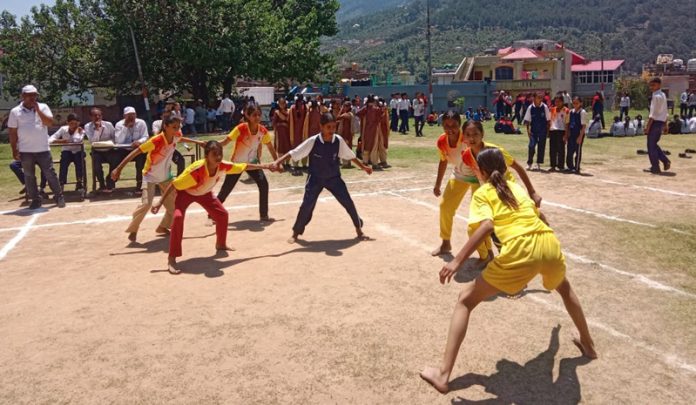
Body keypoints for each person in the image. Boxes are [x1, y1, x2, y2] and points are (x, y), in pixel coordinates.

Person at [419, 148, 596, 394]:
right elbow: (541, 216)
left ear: (479, 171)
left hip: (521, 249)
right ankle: (588, 345)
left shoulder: (483, 193)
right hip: (548, 241)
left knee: (465, 301)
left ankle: (443, 375)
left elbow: (487, 225)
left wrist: (457, 261)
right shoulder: (518, 189)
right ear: (504, 169)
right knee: (565, 289)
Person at [151, 141, 271, 274]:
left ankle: (221, 244)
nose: (218, 157)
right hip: (186, 193)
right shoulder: (196, 170)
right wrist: (159, 202)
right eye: (215, 154)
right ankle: (172, 259)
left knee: (222, 215)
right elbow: (174, 184)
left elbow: (243, 166)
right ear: (207, 155)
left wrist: (265, 166)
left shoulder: (223, 165)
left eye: (220, 154)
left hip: (205, 193)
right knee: (178, 218)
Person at [271, 112, 373, 243]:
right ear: (321, 127)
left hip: (334, 178)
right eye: (328, 127)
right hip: (315, 178)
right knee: (307, 206)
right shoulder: (313, 141)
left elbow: (350, 156)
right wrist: (277, 162)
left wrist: (364, 167)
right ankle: (296, 233)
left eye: (333, 127)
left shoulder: (338, 141)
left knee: (348, 202)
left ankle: (359, 230)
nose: (331, 130)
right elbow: (294, 152)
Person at [112, 115, 204, 242]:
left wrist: (198, 142)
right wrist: (119, 168)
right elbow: (136, 151)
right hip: (149, 176)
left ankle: (162, 227)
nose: (177, 130)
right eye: (174, 127)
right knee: (146, 204)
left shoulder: (176, 136)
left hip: (166, 178)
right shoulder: (156, 140)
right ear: (165, 127)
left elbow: (181, 139)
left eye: (178, 127)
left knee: (174, 206)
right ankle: (133, 229)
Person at [216, 105, 279, 222]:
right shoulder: (240, 128)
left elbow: (270, 147)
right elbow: (225, 142)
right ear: (247, 116)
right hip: (237, 164)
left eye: (259, 115)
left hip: (253, 164)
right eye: (254, 115)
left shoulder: (262, 131)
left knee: (264, 185)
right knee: (226, 190)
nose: (257, 117)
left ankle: (264, 215)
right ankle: (212, 214)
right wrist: (211, 144)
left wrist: (277, 162)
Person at [431, 112, 481, 257]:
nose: (450, 128)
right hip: (459, 175)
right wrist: (437, 184)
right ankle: (445, 242)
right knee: (445, 207)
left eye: (454, 125)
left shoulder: (467, 139)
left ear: (460, 125)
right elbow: (443, 160)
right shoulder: (442, 141)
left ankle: (485, 253)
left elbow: (481, 153)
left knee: (478, 216)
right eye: (446, 125)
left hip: (477, 177)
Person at [8, 84, 65, 209]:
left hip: (43, 148)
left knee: (50, 173)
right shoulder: (15, 111)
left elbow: (49, 123)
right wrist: (14, 149)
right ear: (23, 96)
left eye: (34, 95)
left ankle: (59, 195)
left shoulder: (43, 107)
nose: (32, 98)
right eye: (29, 95)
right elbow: (12, 132)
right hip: (25, 150)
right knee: (29, 176)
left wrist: (38, 110)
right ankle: (35, 199)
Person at [48, 113, 86, 191]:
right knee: (64, 161)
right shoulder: (63, 129)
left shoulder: (81, 131)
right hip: (67, 151)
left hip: (78, 151)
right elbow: (51, 139)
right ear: (67, 123)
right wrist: (60, 141)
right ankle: (61, 182)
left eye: (76, 123)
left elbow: (77, 140)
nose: (73, 125)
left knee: (79, 161)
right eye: (71, 123)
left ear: (78, 123)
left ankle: (79, 181)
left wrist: (76, 131)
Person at [114, 106, 149, 190]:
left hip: (137, 149)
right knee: (114, 160)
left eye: (133, 115)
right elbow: (118, 140)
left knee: (141, 161)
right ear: (124, 116)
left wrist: (139, 142)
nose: (131, 117)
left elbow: (145, 136)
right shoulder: (119, 125)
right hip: (123, 149)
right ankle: (111, 183)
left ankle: (140, 183)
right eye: (129, 115)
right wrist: (125, 127)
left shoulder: (141, 123)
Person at [84, 108, 117, 192]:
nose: (97, 117)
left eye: (99, 115)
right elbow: (93, 141)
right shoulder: (88, 126)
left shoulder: (108, 125)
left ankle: (110, 181)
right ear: (90, 117)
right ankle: (101, 184)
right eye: (95, 115)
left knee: (116, 161)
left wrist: (110, 143)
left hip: (109, 149)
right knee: (96, 166)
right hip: (97, 151)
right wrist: (97, 129)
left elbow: (115, 137)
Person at [644, 78, 671, 174]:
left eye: (653, 85)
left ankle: (655, 167)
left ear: (659, 84)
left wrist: (648, 127)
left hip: (655, 123)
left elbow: (653, 114)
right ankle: (664, 161)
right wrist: (665, 124)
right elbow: (665, 111)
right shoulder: (663, 95)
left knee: (651, 145)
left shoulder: (656, 96)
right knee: (653, 144)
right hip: (660, 122)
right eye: (650, 85)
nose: (651, 87)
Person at [357, 96, 390, 170]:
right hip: (374, 130)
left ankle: (365, 162)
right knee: (374, 146)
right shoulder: (376, 109)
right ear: (373, 102)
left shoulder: (365, 108)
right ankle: (375, 164)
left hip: (366, 130)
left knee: (366, 146)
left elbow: (358, 113)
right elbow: (381, 115)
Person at [523, 93, 551, 171]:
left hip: (542, 130)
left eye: (541, 98)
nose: (540, 99)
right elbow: (527, 121)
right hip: (533, 131)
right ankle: (529, 163)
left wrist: (548, 131)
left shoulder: (544, 107)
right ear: (534, 98)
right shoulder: (530, 108)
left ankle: (538, 163)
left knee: (541, 146)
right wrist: (528, 131)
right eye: (538, 97)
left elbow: (548, 120)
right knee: (531, 146)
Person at [565, 96, 588, 173]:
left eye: (576, 103)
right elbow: (568, 123)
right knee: (569, 150)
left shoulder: (582, 112)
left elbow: (584, 126)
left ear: (580, 103)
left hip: (578, 133)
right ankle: (570, 166)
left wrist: (580, 137)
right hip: (571, 133)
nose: (575, 104)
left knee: (577, 150)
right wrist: (567, 133)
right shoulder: (571, 112)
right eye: (573, 103)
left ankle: (577, 167)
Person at [548, 96, 568, 171]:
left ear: (562, 102)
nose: (557, 103)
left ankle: (561, 165)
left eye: (559, 101)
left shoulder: (566, 110)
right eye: (556, 101)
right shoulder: (552, 109)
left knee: (561, 149)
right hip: (553, 130)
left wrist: (566, 134)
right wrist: (548, 131)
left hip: (561, 131)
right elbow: (550, 121)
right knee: (552, 149)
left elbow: (567, 123)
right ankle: (553, 165)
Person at [272, 98, 291, 170]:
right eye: (280, 104)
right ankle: (281, 163)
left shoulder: (289, 111)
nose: (282, 105)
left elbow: (291, 122)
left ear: (285, 104)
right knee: (280, 147)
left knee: (288, 146)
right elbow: (274, 123)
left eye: (283, 103)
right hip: (279, 133)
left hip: (287, 132)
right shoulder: (276, 112)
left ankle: (287, 163)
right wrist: (281, 123)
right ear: (278, 104)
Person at [337, 101, 356, 168]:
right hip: (348, 134)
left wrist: (341, 110)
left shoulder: (347, 115)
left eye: (345, 106)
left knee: (345, 148)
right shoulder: (349, 114)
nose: (344, 107)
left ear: (348, 107)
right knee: (348, 148)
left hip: (346, 134)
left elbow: (337, 117)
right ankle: (348, 163)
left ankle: (346, 163)